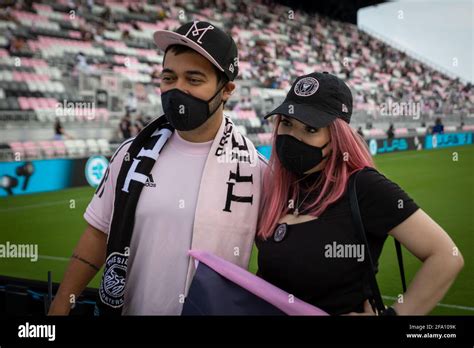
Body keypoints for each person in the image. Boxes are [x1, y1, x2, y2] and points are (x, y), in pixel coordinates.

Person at [49, 21, 267, 316]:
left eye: (194, 79)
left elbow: (278, 258)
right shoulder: (130, 155)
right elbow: (98, 234)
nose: (178, 89)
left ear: (226, 89)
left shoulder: (256, 171)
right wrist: (61, 306)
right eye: (169, 77)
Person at [256, 72, 464, 316]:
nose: (293, 137)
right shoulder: (281, 185)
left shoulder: (363, 186)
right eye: (287, 123)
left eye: (311, 129)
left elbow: (446, 256)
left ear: (336, 137)